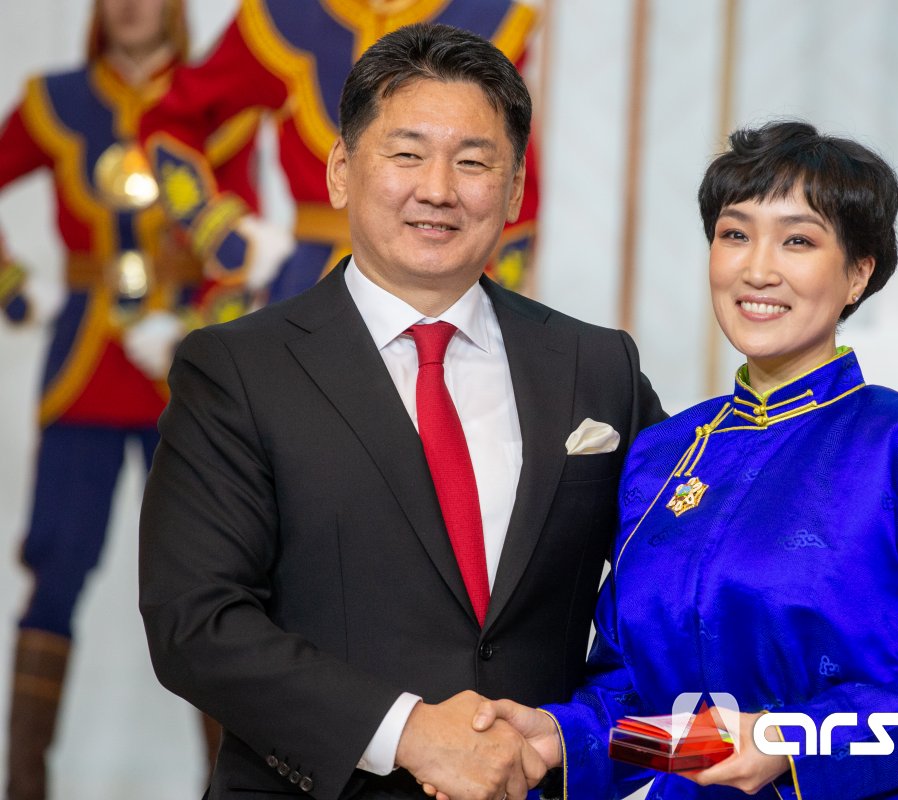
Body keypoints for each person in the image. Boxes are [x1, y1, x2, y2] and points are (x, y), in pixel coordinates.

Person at [137, 22, 662, 800]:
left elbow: (677, 579)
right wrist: (408, 733)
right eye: (407, 154)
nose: (438, 189)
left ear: (516, 189)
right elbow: (195, 622)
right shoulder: (237, 370)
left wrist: (577, 733)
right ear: (341, 171)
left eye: (473, 161)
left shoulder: (596, 366)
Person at [468, 121, 898, 800]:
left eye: (798, 240)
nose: (757, 269)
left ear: (859, 273)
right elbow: (654, 715)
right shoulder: (663, 454)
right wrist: (560, 739)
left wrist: (794, 741)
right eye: (735, 234)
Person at [0, 1, 260, 796]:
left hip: (188, 380)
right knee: (56, 567)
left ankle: (228, 786)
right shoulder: (56, 100)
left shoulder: (214, 100)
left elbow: (242, 243)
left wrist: (194, 326)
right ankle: (23, 785)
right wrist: (14, 289)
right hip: (83, 375)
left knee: (211, 580)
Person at [127, 0, 540, 380]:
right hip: (314, 282)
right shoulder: (283, 14)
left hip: (446, 284)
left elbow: (514, 174)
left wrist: (498, 297)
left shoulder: (487, 14)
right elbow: (172, 120)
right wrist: (217, 229)